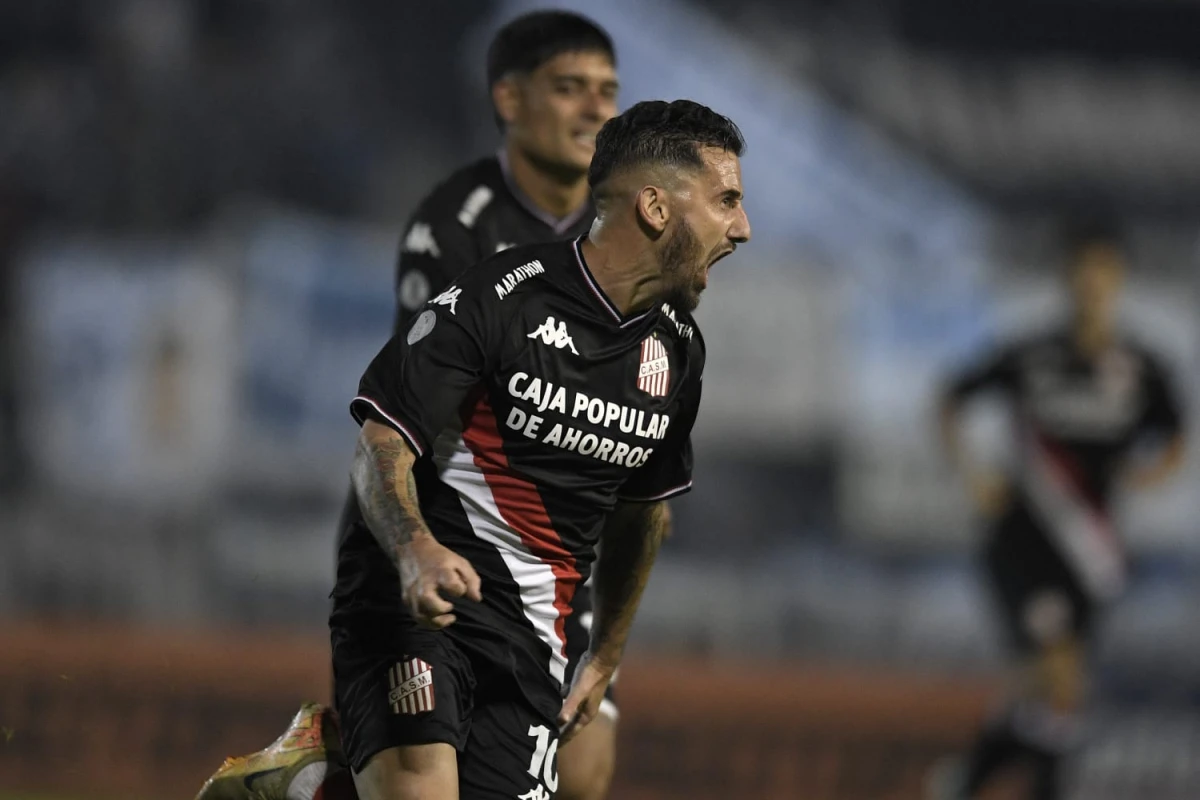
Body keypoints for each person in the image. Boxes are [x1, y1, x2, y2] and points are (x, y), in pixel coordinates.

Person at [204, 97, 750, 800]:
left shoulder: (677, 352)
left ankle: (311, 785)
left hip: (532, 645)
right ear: (655, 207)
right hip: (416, 606)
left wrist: (606, 657)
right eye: (726, 200)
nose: (742, 227)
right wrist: (414, 552)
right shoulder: (502, 299)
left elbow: (641, 514)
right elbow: (380, 446)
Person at [196, 11, 622, 800]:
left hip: (555, 550)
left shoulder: (614, 235)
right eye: (569, 88)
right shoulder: (458, 227)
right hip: (451, 534)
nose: (594, 108)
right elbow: (422, 409)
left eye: (606, 90)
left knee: (587, 768)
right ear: (510, 100)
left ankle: (317, 784)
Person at [930, 222, 1187, 800]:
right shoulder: (1033, 356)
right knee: (1059, 670)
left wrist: (1150, 473)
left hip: (1092, 552)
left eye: (1102, 272)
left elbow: (1175, 435)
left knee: (1052, 692)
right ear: (1067, 278)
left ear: (1117, 280)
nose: (1091, 285)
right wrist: (974, 476)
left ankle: (973, 778)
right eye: (1081, 271)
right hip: (1024, 542)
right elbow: (952, 398)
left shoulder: (1140, 368)